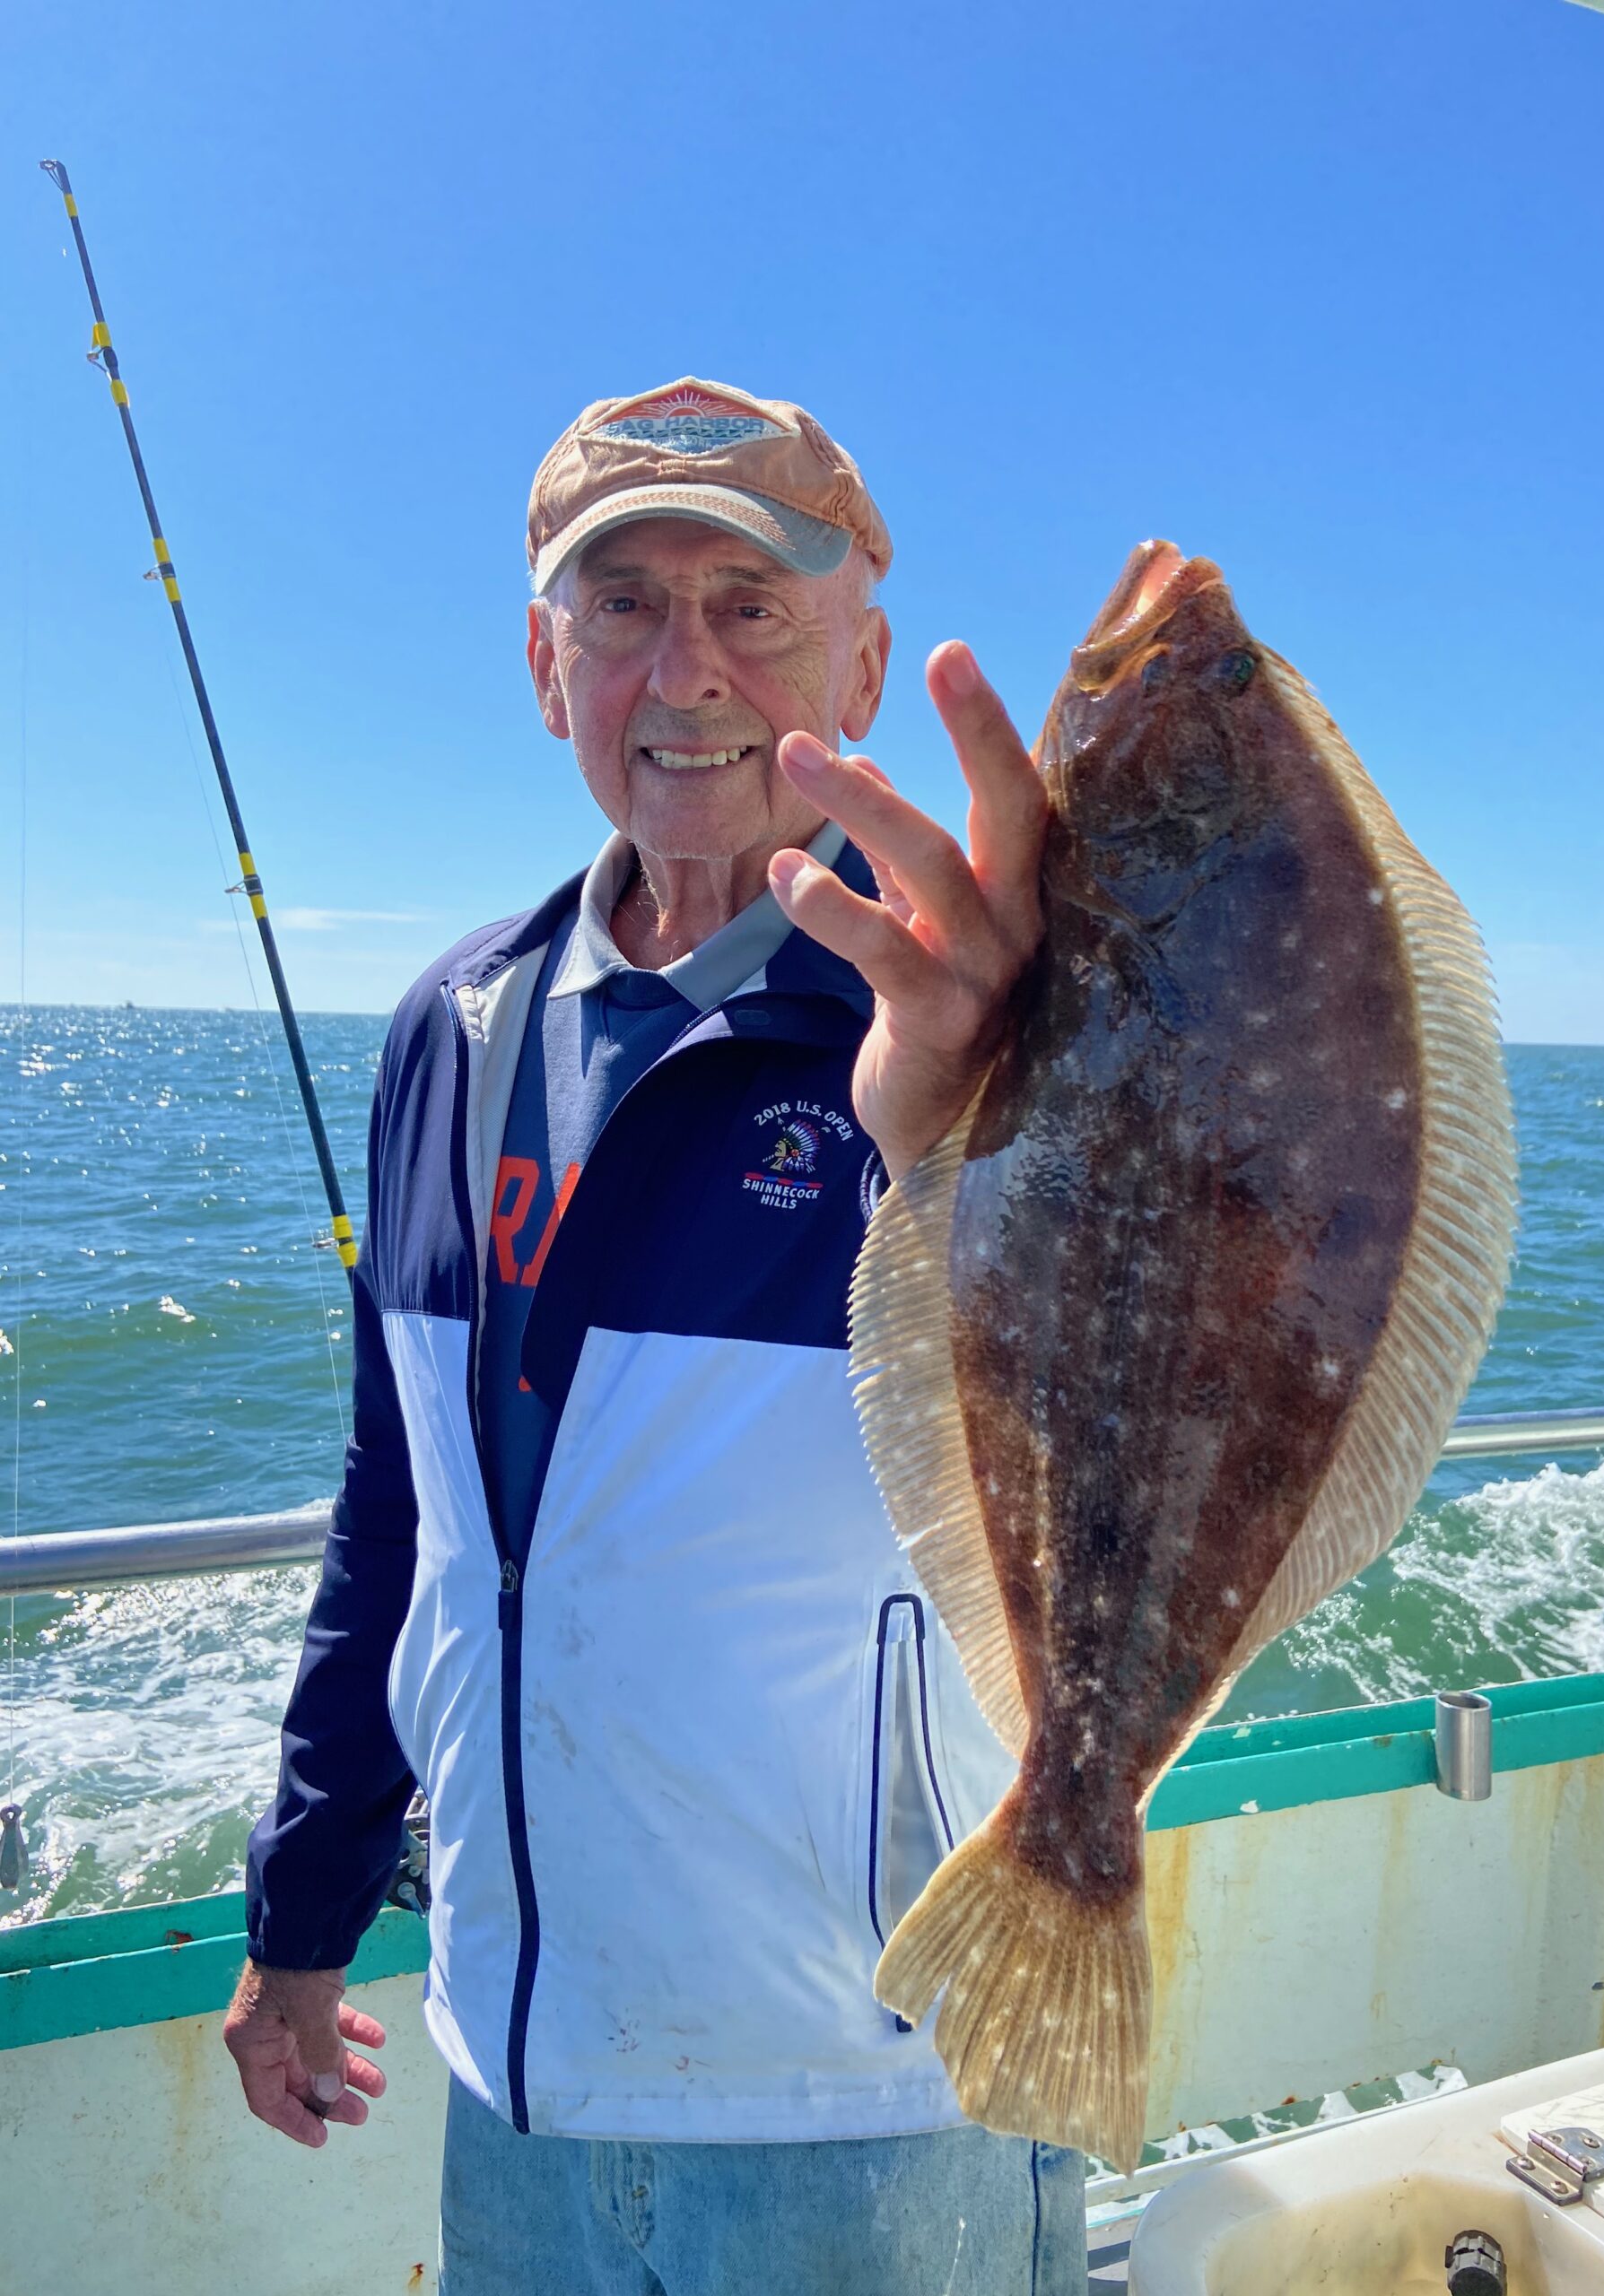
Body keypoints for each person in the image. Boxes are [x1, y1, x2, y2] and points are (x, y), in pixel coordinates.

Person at [223, 378, 1081, 2293]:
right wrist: (303, 1906)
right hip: (513, 2067)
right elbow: (403, 1507)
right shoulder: (446, 1023)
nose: (684, 665)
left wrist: (980, 1118)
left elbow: (1158, 1354)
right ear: (549, 664)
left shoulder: (995, 1016)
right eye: (623, 603)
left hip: (868, 2087)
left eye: (752, 603)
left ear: (860, 665)